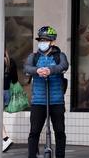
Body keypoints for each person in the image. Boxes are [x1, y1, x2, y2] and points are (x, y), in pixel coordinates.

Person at [24, 26, 69, 158]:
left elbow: (64, 66)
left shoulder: (60, 56)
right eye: (40, 40)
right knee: (34, 132)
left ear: (52, 42)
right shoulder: (33, 57)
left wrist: (50, 70)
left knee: (60, 131)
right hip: (38, 101)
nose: (42, 42)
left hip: (56, 101)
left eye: (45, 40)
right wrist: (37, 71)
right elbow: (26, 68)